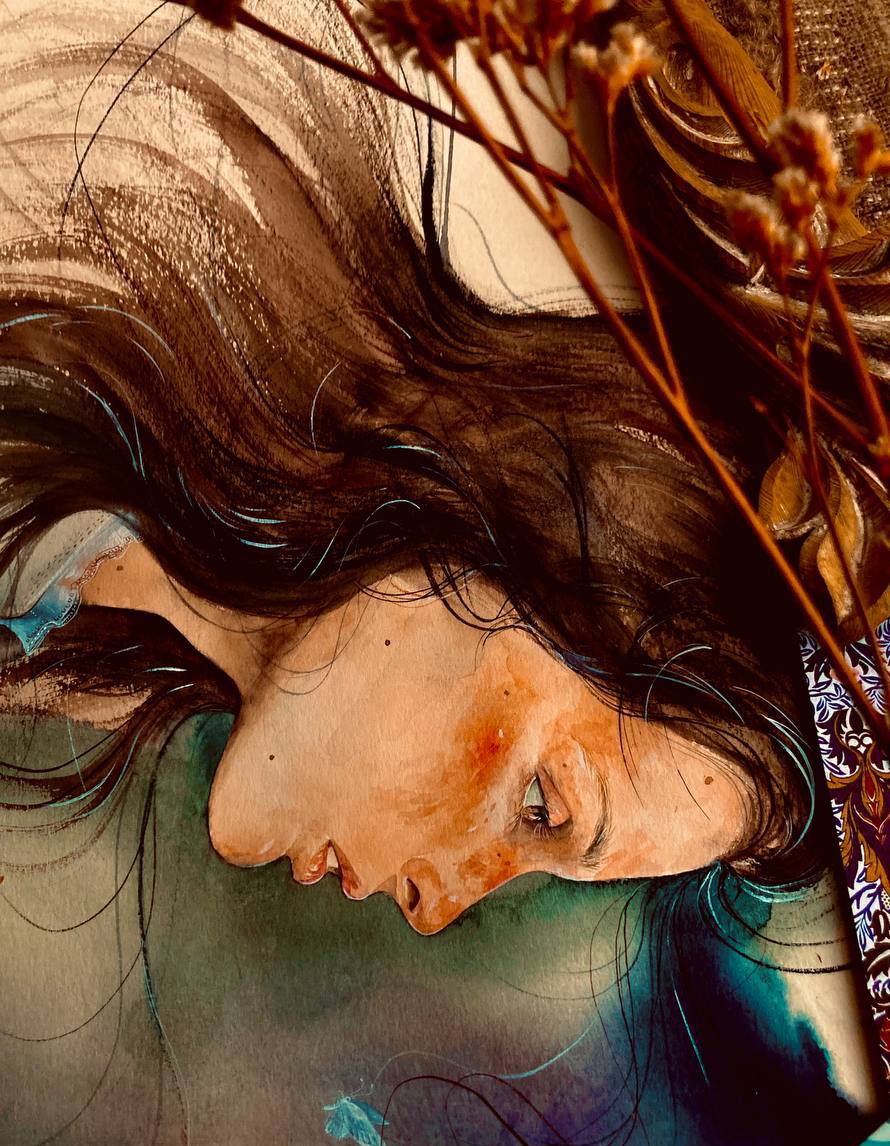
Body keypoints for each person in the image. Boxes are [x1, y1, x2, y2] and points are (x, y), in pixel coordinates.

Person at [0, 0, 821, 938]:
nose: (440, 907)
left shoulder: (67, 637)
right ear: (516, 522)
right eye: (542, 807)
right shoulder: (37, 372)